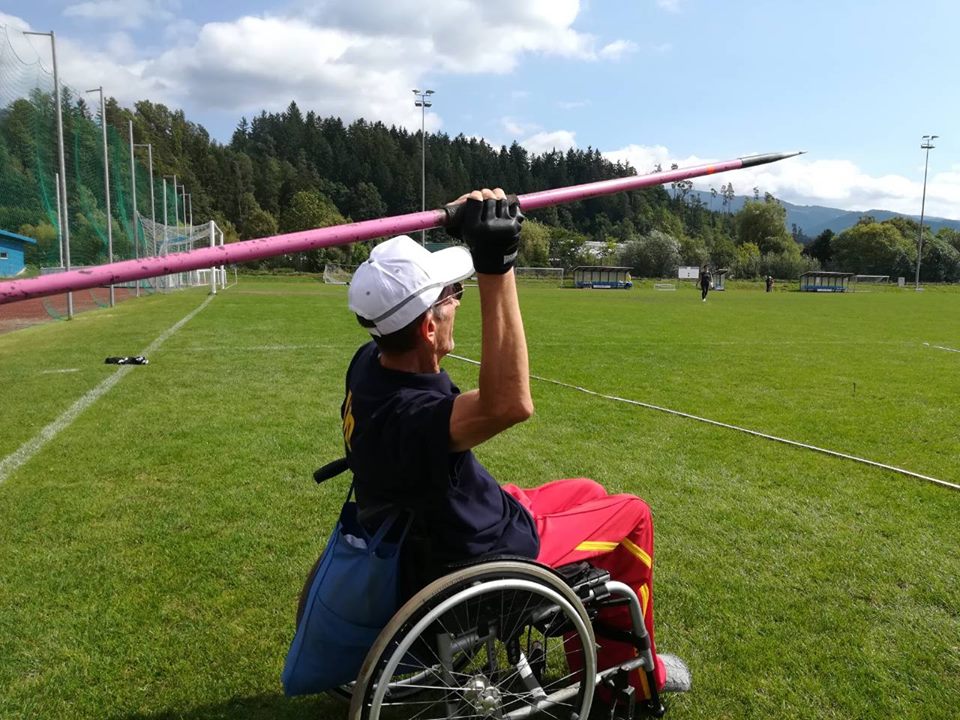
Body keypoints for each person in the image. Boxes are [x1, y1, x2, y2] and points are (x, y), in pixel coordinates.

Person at [341, 187, 690, 700]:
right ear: (428, 326)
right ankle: (636, 680)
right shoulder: (414, 418)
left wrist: (458, 226)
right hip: (479, 555)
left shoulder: (371, 367)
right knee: (633, 515)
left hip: (443, 527)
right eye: (451, 295)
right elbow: (510, 403)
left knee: (588, 490)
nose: (457, 300)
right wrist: (497, 264)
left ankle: (590, 645)